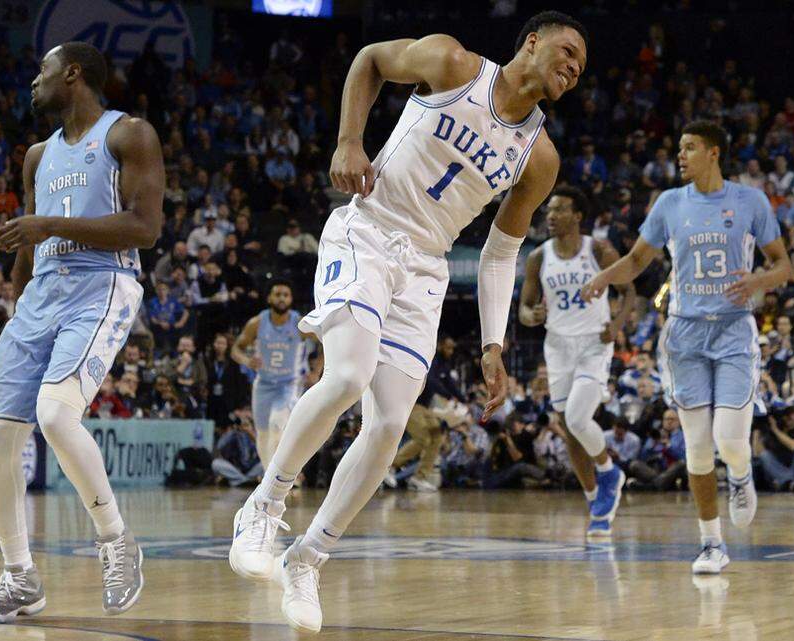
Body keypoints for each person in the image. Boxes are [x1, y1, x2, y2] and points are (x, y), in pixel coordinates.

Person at [228, 12, 587, 633]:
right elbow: (368, 59)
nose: (574, 65)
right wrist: (348, 140)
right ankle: (263, 506)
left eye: (582, 65)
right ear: (532, 41)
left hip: (426, 267)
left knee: (391, 422)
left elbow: (501, 252)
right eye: (568, 49)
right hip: (368, 230)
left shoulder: (540, 156)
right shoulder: (453, 62)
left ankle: (308, 557)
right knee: (346, 374)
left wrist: (494, 342)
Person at [0, 42, 163, 623]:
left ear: (73, 73)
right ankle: (19, 577)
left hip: (103, 283)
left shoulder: (128, 134)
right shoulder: (37, 155)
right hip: (41, 294)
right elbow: (30, 242)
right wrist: (16, 300)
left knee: (56, 416)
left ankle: (115, 539)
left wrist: (49, 224)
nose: (35, 81)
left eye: (42, 71)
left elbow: (144, 227)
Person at [583, 120, 792, 575]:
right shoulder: (670, 203)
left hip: (735, 332)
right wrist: (603, 277)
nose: (680, 156)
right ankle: (712, 544)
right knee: (696, 448)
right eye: (680, 148)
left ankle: (740, 475)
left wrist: (760, 279)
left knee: (730, 441)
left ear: (714, 153)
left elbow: (784, 265)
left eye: (690, 148)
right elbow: (638, 260)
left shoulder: (750, 201)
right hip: (685, 335)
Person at [518, 185, 635, 539]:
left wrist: (616, 325)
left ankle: (609, 470)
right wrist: (531, 315)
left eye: (559, 209)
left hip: (593, 345)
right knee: (570, 431)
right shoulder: (539, 256)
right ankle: (595, 499)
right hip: (557, 346)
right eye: (548, 210)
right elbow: (523, 309)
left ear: (578, 216)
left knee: (577, 418)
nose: (550, 216)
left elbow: (629, 289)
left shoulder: (597, 249)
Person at [231, 279, 307, 469]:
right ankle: (268, 477)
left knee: (277, 424)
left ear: (291, 299)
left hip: (288, 384)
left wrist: (317, 370)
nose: (282, 298)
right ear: (269, 298)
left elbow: (325, 342)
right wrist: (247, 360)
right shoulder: (257, 323)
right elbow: (235, 349)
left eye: (286, 295)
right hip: (263, 385)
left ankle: (282, 474)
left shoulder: (299, 323)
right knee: (263, 433)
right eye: (278, 294)